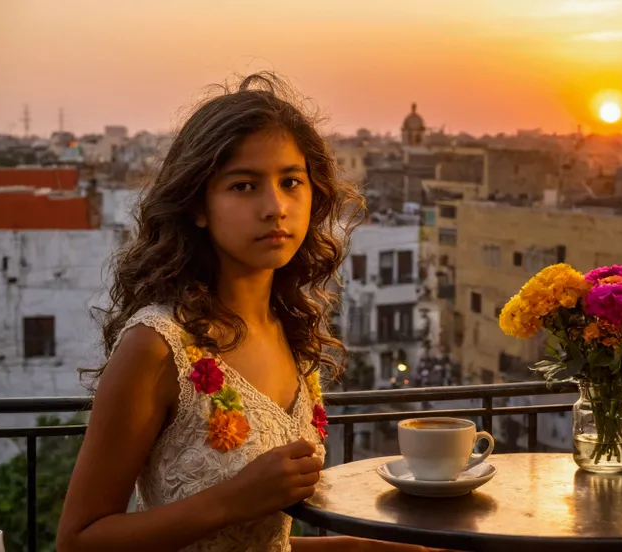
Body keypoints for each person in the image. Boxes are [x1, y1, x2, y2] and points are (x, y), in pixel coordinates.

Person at [57, 73, 449, 552]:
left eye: (291, 182)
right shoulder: (158, 347)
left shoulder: (288, 331)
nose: (275, 207)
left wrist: (364, 548)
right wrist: (234, 499)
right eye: (244, 186)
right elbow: (78, 541)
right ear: (199, 206)